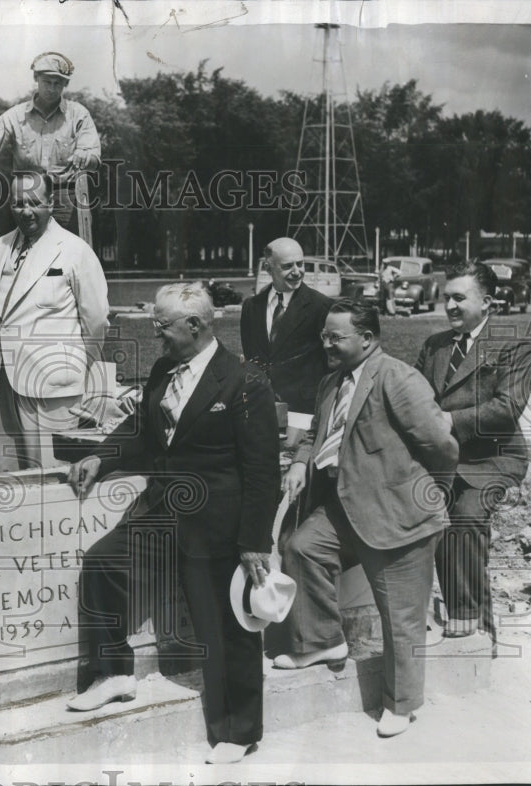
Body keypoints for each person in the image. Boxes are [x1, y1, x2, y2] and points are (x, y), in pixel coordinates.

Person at [67, 282, 280, 764]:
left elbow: (263, 470)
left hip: (217, 527)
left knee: (225, 627)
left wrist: (252, 542)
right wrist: (101, 459)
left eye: (162, 326)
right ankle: (116, 673)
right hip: (162, 510)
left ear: (196, 326)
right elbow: (142, 429)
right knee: (103, 563)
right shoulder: (165, 369)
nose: (156, 335)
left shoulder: (246, 382)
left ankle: (238, 729)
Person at [275, 299, 459, 738]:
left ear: (368, 339)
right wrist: (301, 461)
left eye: (335, 337)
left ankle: (401, 703)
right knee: (301, 547)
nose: (326, 344)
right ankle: (322, 642)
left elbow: (442, 445)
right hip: (346, 508)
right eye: (324, 335)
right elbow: (319, 431)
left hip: (400, 517)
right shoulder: (330, 382)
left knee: (400, 616)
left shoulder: (395, 377)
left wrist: (427, 494)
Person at [415, 261, 531, 639]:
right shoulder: (434, 346)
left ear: (486, 302)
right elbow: (414, 400)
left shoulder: (513, 341)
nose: (449, 305)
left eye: (458, 298)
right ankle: (432, 613)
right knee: (421, 514)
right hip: (446, 458)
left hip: (494, 459)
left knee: (465, 514)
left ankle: (471, 618)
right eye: (446, 297)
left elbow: (505, 410)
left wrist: (448, 421)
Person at [0, 171, 108, 471]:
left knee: (51, 475)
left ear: (50, 203)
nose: (26, 211)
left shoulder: (76, 250)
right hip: (3, 378)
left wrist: (77, 366)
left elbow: (97, 321)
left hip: (53, 385)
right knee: (6, 472)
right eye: (17, 203)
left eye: (34, 202)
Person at [0, 52, 101, 231]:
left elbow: (94, 159)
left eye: (57, 83)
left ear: (65, 84)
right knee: (25, 251)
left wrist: (85, 156)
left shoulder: (78, 114)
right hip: (26, 196)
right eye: (47, 82)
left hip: (65, 197)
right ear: (36, 78)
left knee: (67, 252)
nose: (52, 88)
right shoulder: (16, 115)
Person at [240, 237, 332, 442]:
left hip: (305, 412)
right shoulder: (251, 307)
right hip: (262, 409)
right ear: (268, 268)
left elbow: (333, 365)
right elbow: (252, 358)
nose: (297, 271)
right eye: (288, 266)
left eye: (301, 264)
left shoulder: (322, 306)